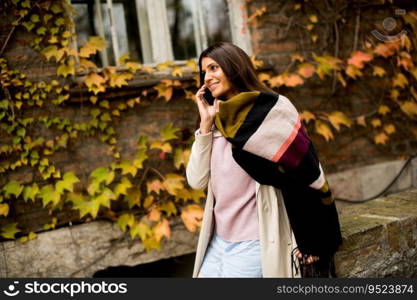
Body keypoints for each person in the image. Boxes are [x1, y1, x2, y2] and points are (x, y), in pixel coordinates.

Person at [186, 42, 342, 278]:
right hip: (217, 242)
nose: (207, 77)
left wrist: (313, 240)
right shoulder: (215, 122)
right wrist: (205, 126)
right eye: (204, 71)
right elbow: (197, 181)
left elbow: (306, 175)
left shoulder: (273, 110)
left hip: (254, 243)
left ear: (234, 67)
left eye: (214, 68)